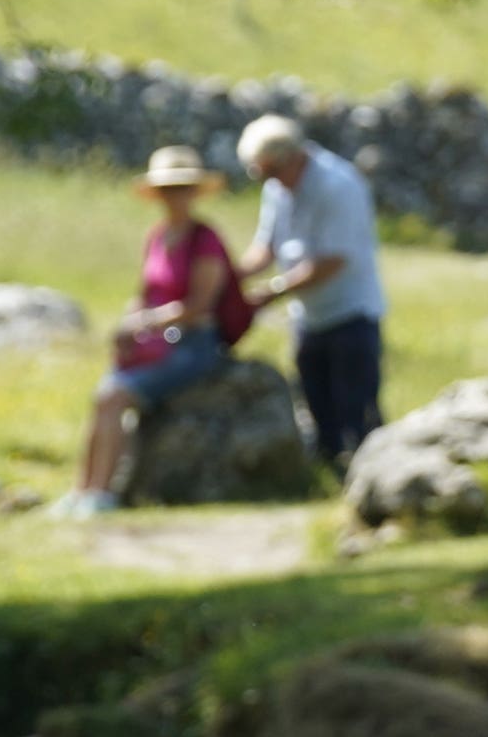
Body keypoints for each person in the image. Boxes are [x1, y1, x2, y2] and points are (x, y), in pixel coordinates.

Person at [57, 144, 253, 518]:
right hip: (158, 343)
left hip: (194, 345)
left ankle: (101, 494)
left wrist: (146, 324)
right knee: (103, 397)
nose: (173, 197)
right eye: (167, 189)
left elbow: (198, 306)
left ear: (194, 192)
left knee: (115, 397)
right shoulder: (157, 237)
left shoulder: (204, 239)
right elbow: (145, 294)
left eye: (181, 188)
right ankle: (82, 489)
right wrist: (128, 325)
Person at [236, 117, 386, 468]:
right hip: (309, 318)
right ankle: (328, 484)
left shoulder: (339, 185)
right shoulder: (277, 188)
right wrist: (228, 277)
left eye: (270, 172)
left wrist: (273, 292)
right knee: (319, 412)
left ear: (292, 158)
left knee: (358, 415)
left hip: (352, 314)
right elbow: (266, 248)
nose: (267, 181)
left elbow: (333, 261)